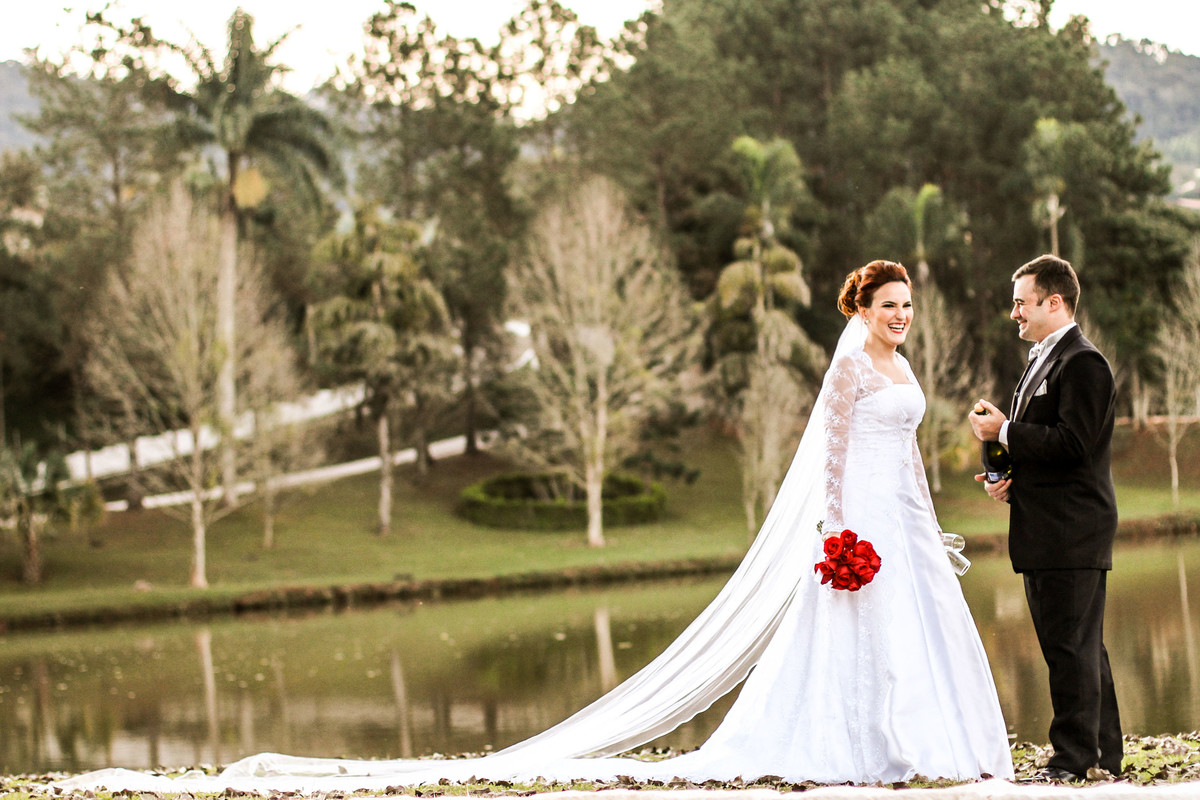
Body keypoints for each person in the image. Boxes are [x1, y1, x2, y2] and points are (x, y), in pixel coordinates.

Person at [59, 261, 1013, 793]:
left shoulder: (903, 372)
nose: (900, 319)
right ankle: (858, 752)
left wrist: (923, 529)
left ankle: (935, 750)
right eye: (888, 308)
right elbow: (837, 463)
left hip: (904, 522)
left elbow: (902, 460)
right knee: (851, 637)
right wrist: (840, 535)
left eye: (906, 309)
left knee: (921, 633)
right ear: (863, 310)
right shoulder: (849, 368)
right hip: (857, 531)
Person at [969, 254, 1122, 783]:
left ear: (1053, 303)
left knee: (1070, 647)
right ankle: (1103, 754)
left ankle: (1072, 760)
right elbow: (1046, 445)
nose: (1014, 313)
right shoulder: (1042, 359)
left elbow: (1075, 444)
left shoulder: (1084, 363)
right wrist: (1004, 476)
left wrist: (1005, 431)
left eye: (1021, 303)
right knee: (1079, 647)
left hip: (1072, 530)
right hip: (1047, 526)